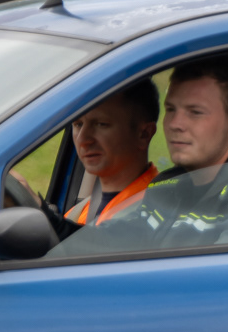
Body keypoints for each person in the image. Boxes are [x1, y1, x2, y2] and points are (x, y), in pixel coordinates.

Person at [52, 54, 228, 256]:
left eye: (195, 112)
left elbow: (226, 287)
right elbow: (110, 244)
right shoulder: (170, 185)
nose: (175, 124)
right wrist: (48, 222)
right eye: (171, 110)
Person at [65, 79, 160, 225]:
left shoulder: (154, 212)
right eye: (78, 124)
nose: (82, 139)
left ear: (144, 134)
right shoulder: (82, 210)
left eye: (101, 124)